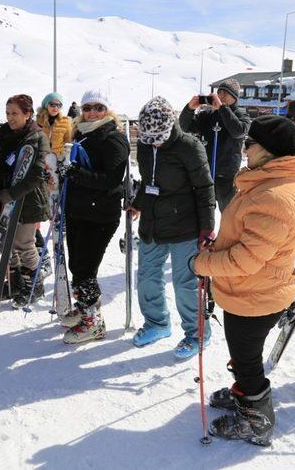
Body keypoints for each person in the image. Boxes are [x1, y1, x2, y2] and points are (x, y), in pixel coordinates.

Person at [193, 115, 295, 445]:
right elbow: (247, 240)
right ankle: (244, 394)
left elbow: (245, 259)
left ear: (268, 151)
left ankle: (256, 420)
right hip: (251, 290)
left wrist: (202, 262)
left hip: (257, 295)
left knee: (247, 360)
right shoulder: (266, 182)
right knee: (244, 354)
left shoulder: (273, 195)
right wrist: (217, 248)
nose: (244, 150)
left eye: (250, 144)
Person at [129, 96, 215, 358]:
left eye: (158, 138)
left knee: (184, 284)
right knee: (147, 278)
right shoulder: (145, 145)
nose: (153, 142)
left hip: (185, 227)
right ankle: (157, 323)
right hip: (153, 224)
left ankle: (197, 334)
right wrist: (138, 203)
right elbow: (147, 181)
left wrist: (207, 229)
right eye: (148, 138)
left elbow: (204, 189)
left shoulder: (189, 146)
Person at [60, 90, 129, 343]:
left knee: (85, 268)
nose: (92, 112)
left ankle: (94, 324)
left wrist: (76, 173)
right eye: (88, 107)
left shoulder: (113, 138)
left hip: (99, 213)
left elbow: (110, 180)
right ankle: (86, 309)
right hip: (78, 209)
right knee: (76, 265)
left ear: (107, 111)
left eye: (98, 108)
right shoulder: (81, 134)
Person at [0, 94, 51, 308]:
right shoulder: (4, 133)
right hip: (4, 198)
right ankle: (15, 283)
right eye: (8, 113)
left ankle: (34, 284)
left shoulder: (37, 137)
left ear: (27, 114)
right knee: (7, 245)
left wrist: (13, 193)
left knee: (23, 244)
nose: (10, 118)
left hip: (28, 200)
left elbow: (38, 173)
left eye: (15, 113)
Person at [179, 78, 251, 211]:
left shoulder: (241, 114)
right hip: (205, 173)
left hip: (227, 176)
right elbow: (185, 126)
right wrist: (189, 108)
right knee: (203, 213)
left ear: (234, 97)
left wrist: (223, 109)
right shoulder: (208, 115)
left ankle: (228, 233)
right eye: (219, 92)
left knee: (229, 214)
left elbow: (238, 131)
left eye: (225, 93)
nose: (220, 96)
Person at [36, 91, 73, 276]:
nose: (55, 108)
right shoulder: (38, 121)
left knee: (56, 190)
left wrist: (64, 158)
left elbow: (69, 141)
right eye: (52, 104)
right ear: (46, 105)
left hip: (57, 160)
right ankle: (42, 217)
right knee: (43, 191)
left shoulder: (66, 122)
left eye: (58, 105)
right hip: (43, 160)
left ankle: (59, 218)